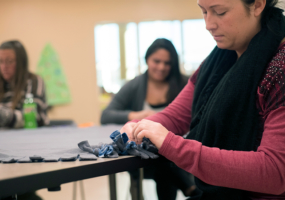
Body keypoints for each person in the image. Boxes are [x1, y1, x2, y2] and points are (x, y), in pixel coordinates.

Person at [121, 0, 285, 199]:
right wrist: (138, 126)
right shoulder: (215, 63)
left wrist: (174, 145)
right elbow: (175, 116)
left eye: (220, 12)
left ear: (258, 5)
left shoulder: (280, 68)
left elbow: (276, 172)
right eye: (204, 12)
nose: (208, 24)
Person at [101, 39, 200, 199]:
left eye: (167, 63)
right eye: (157, 61)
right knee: (165, 162)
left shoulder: (184, 84)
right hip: (145, 156)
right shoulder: (135, 85)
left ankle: (191, 188)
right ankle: (190, 188)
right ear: (147, 60)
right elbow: (106, 115)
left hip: (175, 151)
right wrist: (135, 116)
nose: (161, 67)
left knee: (167, 160)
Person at [0, 40, 49, 130]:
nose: (4, 66)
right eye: (0, 61)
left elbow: (31, 118)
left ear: (21, 63)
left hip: (31, 139)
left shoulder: (34, 82)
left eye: (9, 61)